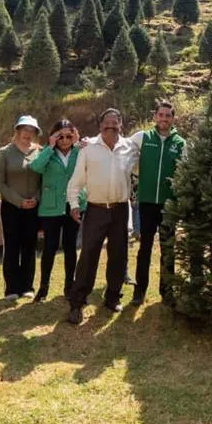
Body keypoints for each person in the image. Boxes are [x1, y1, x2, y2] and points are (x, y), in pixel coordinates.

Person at [64, 108, 139, 324]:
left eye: (115, 122)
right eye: (107, 122)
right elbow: (76, 182)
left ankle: (113, 297)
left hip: (120, 209)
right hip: (96, 208)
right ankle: (77, 303)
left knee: (118, 255)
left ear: (121, 125)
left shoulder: (129, 148)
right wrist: (74, 204)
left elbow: (141, 167)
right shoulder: (88, 149)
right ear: (100, 125)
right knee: (88, 255)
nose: (111, 125)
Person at [130, 102, 186, 306]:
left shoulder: (180, 143)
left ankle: (167, 291)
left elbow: (184, 174)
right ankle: (140, 290)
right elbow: (120, 147)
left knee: (168, 248)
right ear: (155, 117)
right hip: (146, 203)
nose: (164, 118)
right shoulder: (143, 137)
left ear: (173, 119)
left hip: (168, 205)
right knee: (144, 247)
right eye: (160, 115)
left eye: (168, 115)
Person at [29, 119, 84, 302]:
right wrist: (50, 146)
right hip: (51, 206)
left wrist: (79, 144)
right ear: (54, 136)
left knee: (70, 247)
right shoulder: (47, 153)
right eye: (61, 136)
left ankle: (70, 286)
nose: (65, 140)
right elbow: (35, 167)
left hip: (73, 205)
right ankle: (43, 288)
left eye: (69, 136)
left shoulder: (80, 152)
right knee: (49, 248)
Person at [0, 116, 43, 301]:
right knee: (12, 246)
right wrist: (18, 201)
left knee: (29, 246)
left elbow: (43, 180)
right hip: (11, 207)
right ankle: (11, 288)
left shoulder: (39, 152)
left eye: (31, 130)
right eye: (24, 129)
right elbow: (0, 182)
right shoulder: (5, 153)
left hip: (33, 207)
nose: (27, 133)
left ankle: (27, 286)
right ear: (17, 130)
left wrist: (36, 198)